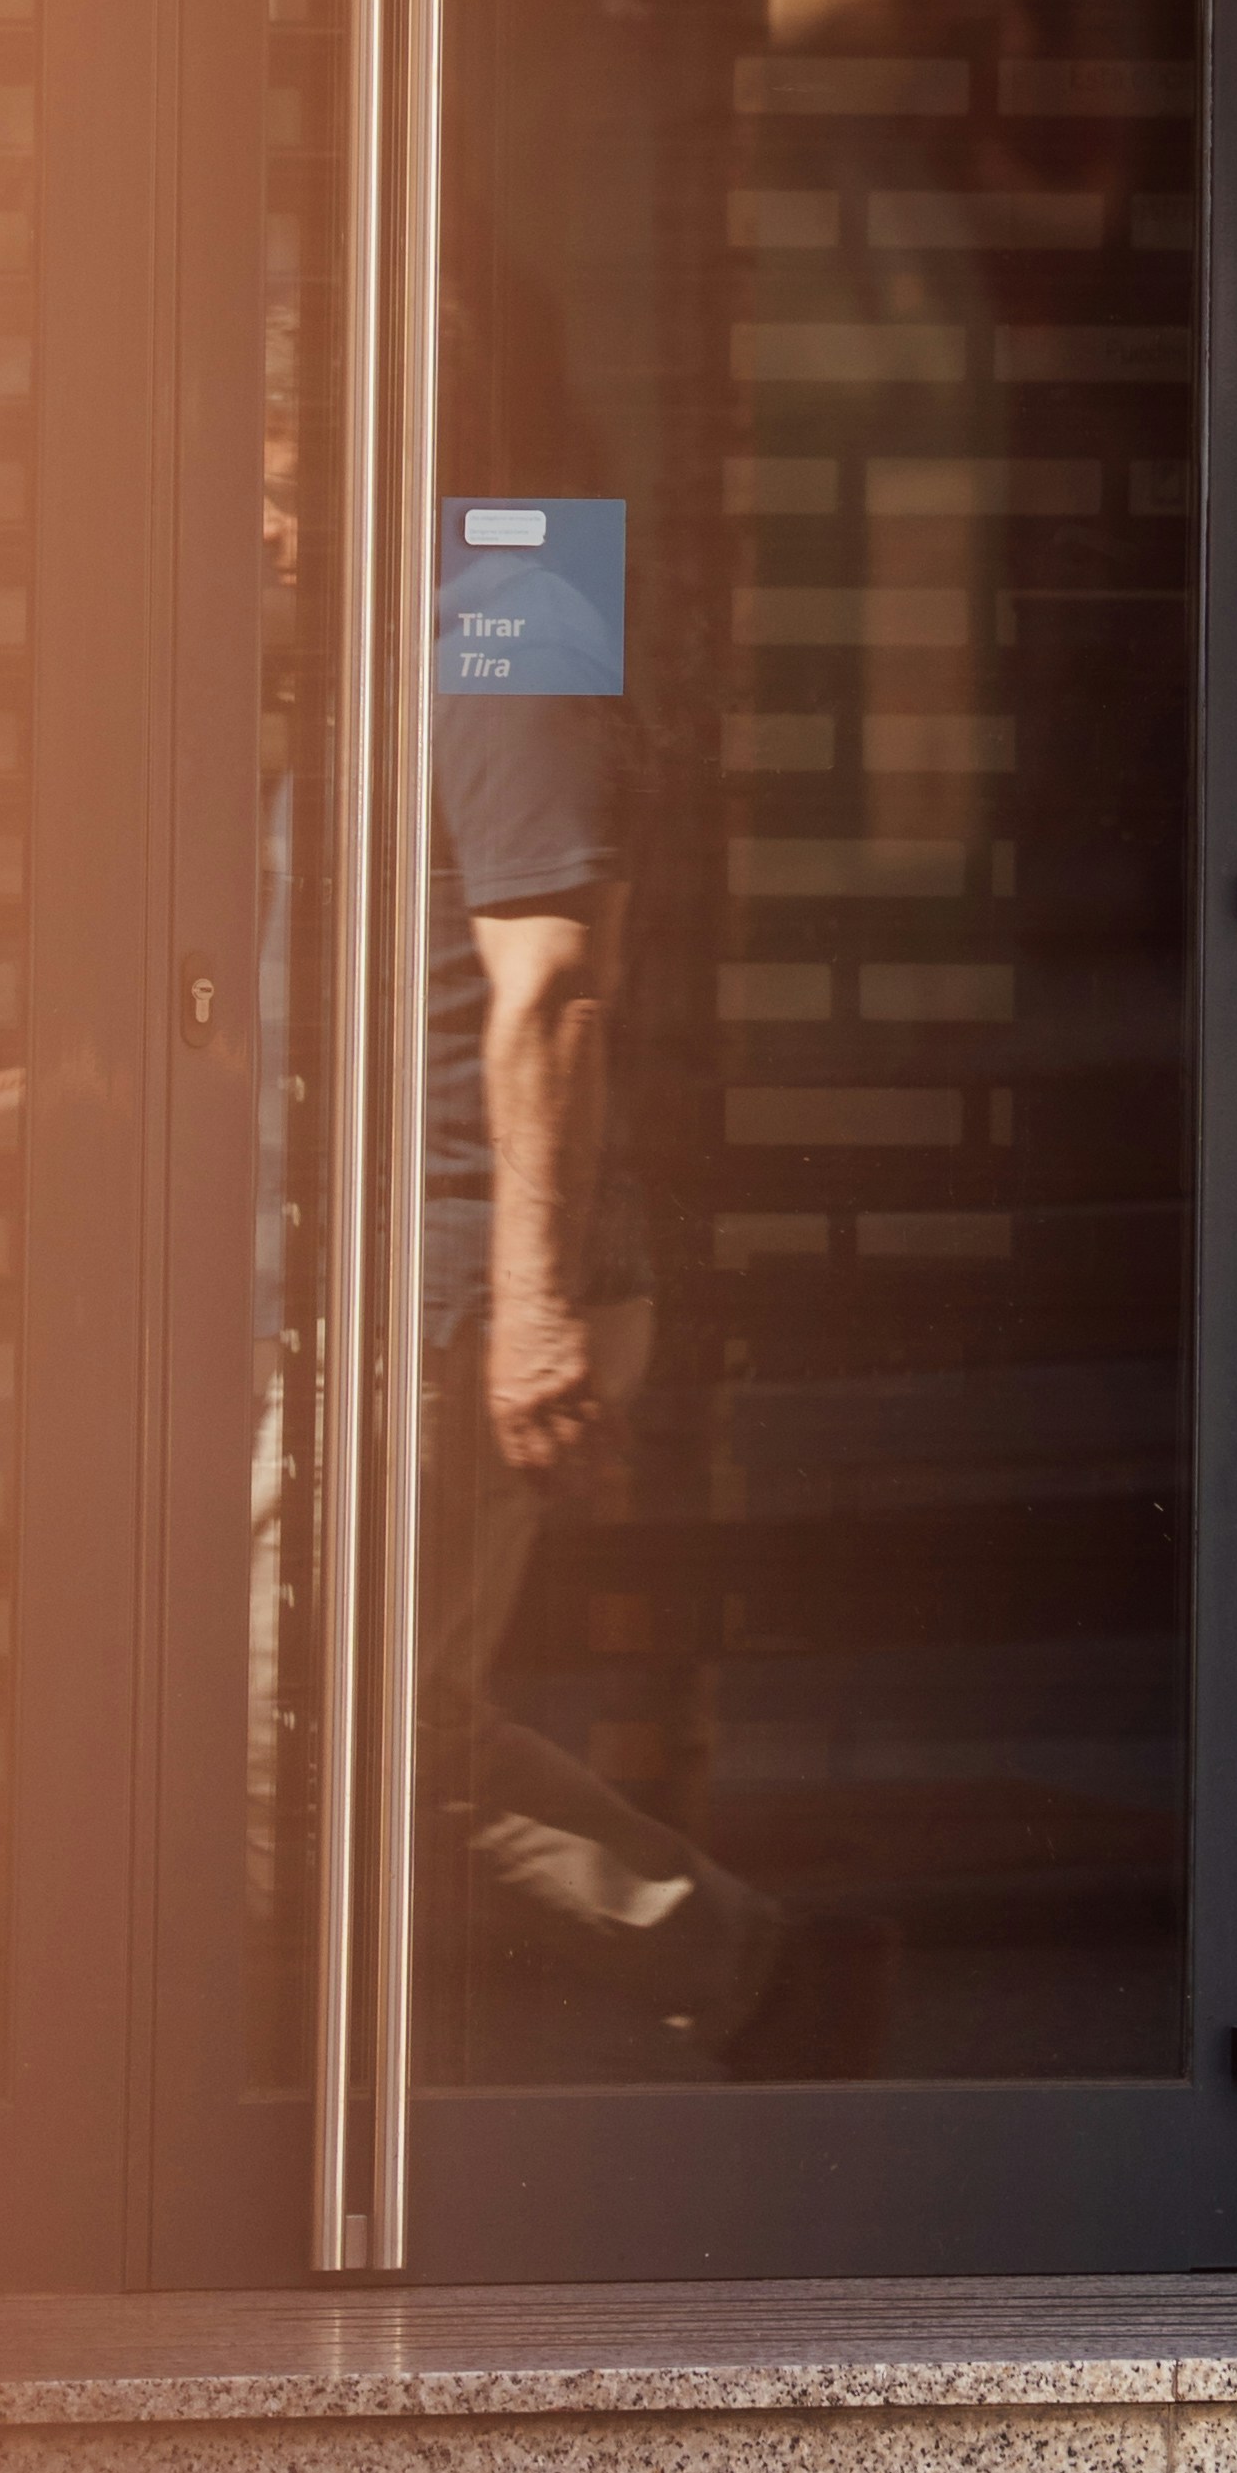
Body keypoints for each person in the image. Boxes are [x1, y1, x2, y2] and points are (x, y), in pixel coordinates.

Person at [417, 498, 888, 2079]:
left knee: (312, 1745)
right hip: (384, 1276)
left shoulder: (507, 627)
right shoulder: (382, 635)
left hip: (454, 1278)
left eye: (278, 487)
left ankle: (755, 1974)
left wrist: (534, 1307)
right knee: (340, 1736)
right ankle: (760, 1976)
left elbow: (556, 998)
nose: (257, 529)